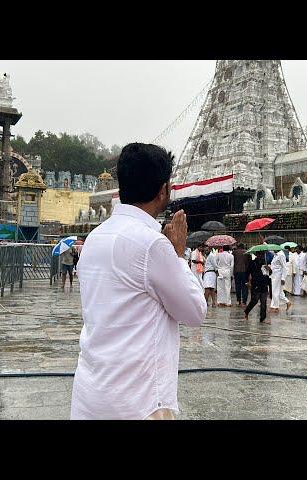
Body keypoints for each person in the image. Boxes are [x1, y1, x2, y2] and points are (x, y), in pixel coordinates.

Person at [70, 143, 207, 420]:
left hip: (91, 392)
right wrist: (178, 256)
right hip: (137, 401)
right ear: (163, 190)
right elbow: (194, 312)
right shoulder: (152, 244)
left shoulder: (96, 237)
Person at [244, 255, 271, 324]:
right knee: (254, 300)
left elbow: (269, 273)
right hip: (256, 284)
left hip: (264, 284)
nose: (262, 256)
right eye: (260, 254)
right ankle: (246, 311)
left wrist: (269, 269)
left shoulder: (265, 263)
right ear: (257, 254)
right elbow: (247, 273)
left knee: (263, 302)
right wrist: (247, 282)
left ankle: (263, 318)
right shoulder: (252, 263)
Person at [269, 247, 291, 312]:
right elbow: (270, 250)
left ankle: (275, 307)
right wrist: (264, 243)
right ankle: (287, 302)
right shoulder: (276, 254)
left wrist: (283, 278)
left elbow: (285, 267)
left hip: (278, 276)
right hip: (274, 275)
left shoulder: (281, 255)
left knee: (275, 291)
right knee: (279, 292)